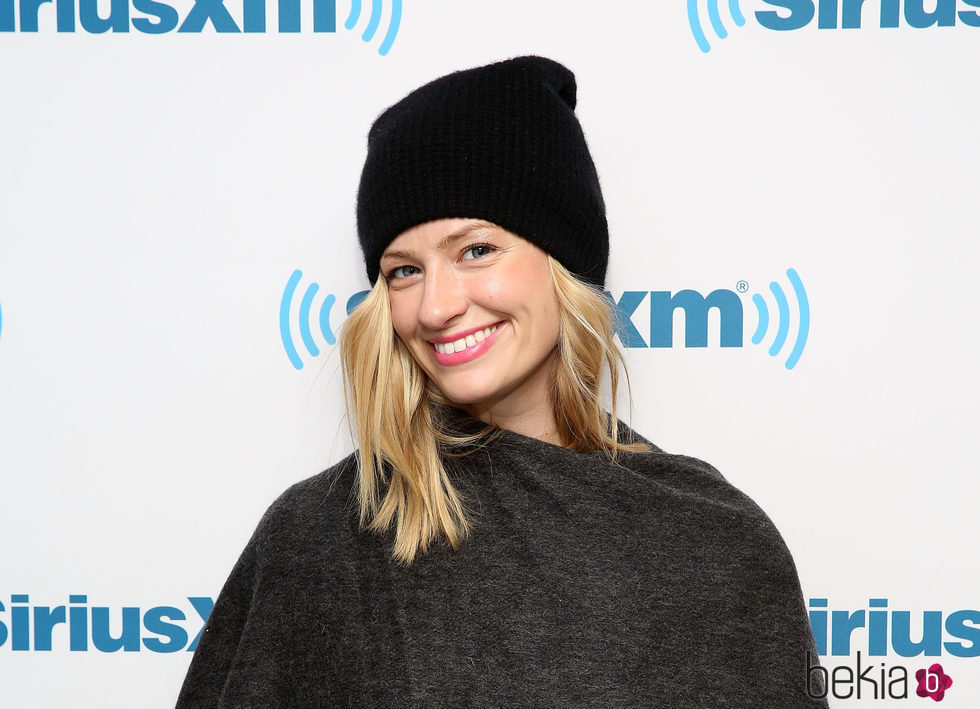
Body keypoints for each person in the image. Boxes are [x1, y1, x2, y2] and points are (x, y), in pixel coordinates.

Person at [176, 56, 827, 707]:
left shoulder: (715, 540)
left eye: (475, 250)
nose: (434, 307)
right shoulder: (319, 537)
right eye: (403, 270)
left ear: (561, 262)